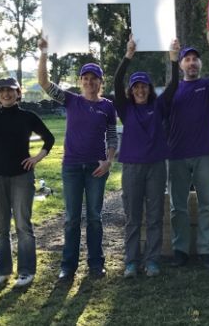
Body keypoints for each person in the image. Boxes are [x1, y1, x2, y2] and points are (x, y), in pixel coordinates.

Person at [0, 54, 55, 288]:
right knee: (0, 226)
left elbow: (49, 138)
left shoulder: (28, 117)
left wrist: (37, 157)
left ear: (18, 93)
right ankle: (2, 270)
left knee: (23, 226)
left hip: (22, 178)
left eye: (11, 90)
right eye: (1, 90)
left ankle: (26, 271)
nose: (6, 94)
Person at [38, 36, 118, 280]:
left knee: (94, 218)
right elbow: (44, 82)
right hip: (72, 167)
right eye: (86, 78)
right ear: (80, 81)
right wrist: (43, 53)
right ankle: (68, 266)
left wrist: (109, 161)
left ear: (100, 82)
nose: (90, 82)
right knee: (72, 219)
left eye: (94, 79)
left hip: (96, 168)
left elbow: (113, 137)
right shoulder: (71, 100)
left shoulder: (107, 106)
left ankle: (96, 263)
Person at [113, 35, 180, 278]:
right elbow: (117, 80)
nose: (140, 90)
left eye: (144, 86)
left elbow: (173, 87)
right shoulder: (125, 108)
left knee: (154, 216)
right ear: (131, 91)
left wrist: (174, 60)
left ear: (149, 89)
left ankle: (152, 260)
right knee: (132, 217)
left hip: (156, 167)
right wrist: (128, 55)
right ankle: (131, 261)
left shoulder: (158, 106)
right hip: (132, 167)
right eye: (136, 87)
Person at [166, 26, 209, 269]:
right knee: (177, 206)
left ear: (200, 64)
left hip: (204, 153)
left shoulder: (208, 87)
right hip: (177, 155)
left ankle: (205, 250)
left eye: (194, 59)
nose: (191, 63)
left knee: (206, 204)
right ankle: (180, 250)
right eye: (187, 59)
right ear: (181, 65)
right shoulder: (172, 90)